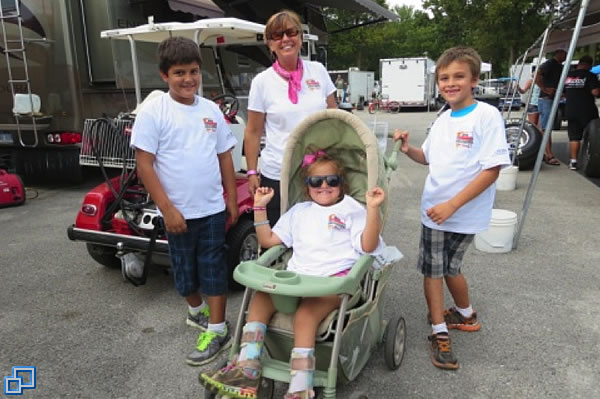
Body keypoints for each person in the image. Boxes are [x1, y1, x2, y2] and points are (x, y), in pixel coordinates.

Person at [200, 152, 385, 399]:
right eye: (316, 182)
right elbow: (268, 241)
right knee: (261, 299)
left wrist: (372, 210)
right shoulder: (299, 211)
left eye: (332, 180)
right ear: (307, 188)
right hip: (296, 280)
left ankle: (301, 386)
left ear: (343, 183)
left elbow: (369, 246)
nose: (324, 186)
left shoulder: (352, 209)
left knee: (305, 316)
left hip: (332, 283)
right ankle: (247, 367)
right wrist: (259, 207)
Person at [393, 46, 511, 370]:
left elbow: (493, 169)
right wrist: (407, 149)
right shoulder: (444, 117)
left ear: (475, 79)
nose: (450, 83)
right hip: (435, 210)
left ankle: (438, 330)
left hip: (457, 212)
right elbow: (428, 157)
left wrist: (452, 205)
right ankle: (466, 314)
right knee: (446, 268)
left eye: (459, 76)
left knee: (439, 269)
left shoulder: (486, 116)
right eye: (444, 78)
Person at [131, 36, 238, 367]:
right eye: (179, 72)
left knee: (213, 267)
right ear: (165, 75)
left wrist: (231, 199)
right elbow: (144, 164)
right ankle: (197, 311)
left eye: (194, 71)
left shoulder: (211, 111)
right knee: (184, 273)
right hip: (176, 213)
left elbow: (224, 157)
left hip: (211, 210)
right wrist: (167, 208)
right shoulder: (153, 111)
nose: (188, 79)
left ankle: (218, 330)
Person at [244, 10, 337, 226]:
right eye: (277, 35)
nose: (285, 39)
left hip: (319, 169)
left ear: (300, 37)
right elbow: (253, 131)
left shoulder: (319, 71)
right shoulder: (262, 82)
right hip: (278, 173)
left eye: (291, 32)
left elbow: (335, 118)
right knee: (282, 233)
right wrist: (251, 172)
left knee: (318, 230)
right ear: (270, 44)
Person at [564, 55, 600, 170]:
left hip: (571, 109)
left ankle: (573, 162)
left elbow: (563, 93)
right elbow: (595, 92)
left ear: (579, 63)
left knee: (574, 137)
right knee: (593, 135)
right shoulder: (590, 76)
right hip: (587, 110)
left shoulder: (568, 76)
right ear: (589, 65)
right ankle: (592, 159)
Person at [535, 49, 567, 166]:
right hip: (546, 99)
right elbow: (536, 74)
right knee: (546, 127)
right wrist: (544, 88)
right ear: (558, 54)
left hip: (552, 98)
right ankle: (548, 154)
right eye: (564, 54)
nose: (566, 57)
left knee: (547, 127)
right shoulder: (549, 64)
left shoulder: (558, 66)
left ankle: (546, 152)